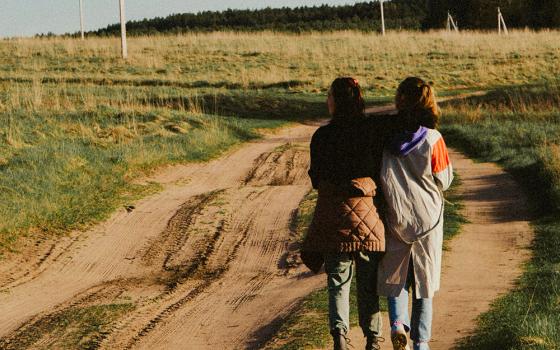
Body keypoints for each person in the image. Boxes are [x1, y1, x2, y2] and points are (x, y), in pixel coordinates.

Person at [302, 77, 393, 350]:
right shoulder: (371, 132)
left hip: (333, 217)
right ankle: (373, 339)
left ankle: (340, 337)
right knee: (368, 283)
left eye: (328, 95)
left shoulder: (321, 137)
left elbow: (316, 179)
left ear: (335, 101)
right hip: (367, 216)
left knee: (338, 282)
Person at [377, 77, 453, 350]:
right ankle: (421, 342)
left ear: (400, 100)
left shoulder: (385, 138)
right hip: (428, 220)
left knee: (396, 273)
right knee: (425, 280)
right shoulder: (433, 139)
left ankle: (398, 324)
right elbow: (443, 179)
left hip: (396, 214)